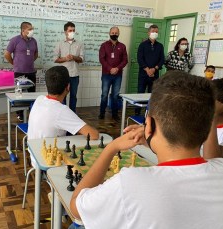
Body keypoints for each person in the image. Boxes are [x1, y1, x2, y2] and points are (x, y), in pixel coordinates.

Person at [70, 71, 223, 229]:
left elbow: (76, 207)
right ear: (208, 128)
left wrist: (111, 148)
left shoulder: (130, 183)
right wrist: (155, 141)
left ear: (148, 124)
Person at [28, 66, 99, 167]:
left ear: (46, 86)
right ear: (68, 87)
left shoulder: (39, 99)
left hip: (35, 156)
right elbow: (93, 135)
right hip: (48, 162)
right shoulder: (61, 111)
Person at [4, 22, 38, 121]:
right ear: (23, 30)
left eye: (32, 29)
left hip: (31, 72)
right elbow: (7, 54)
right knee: (19, 94)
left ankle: (32, 113)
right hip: (19, 72)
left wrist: (29, 62)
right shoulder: (15, 40)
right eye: (29, 29)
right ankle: (20, 114)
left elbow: (35, 54)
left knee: (32, 94)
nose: (32, 31)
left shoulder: (34, 41)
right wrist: (15, 64)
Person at [53, 22, 84, 113]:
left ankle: (72, 113)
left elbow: (82, 59)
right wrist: (65, 58)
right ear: (65, 32)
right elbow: (55, 59)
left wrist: (74, 57)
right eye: (70, 30)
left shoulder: (79, 44)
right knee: (63, 96)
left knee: (73, 96)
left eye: (73, 30)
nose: (72, 32)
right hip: (63, 75)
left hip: (75, 74)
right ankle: (63, 113)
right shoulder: (60, 44)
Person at [98, 27, 128, 120]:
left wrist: (117, 68)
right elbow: (101, 59)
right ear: (109, 34)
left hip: (118, 75)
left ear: (119, 34)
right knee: (104, 94)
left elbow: (125, 60)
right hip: (106, 74)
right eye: (112, 32)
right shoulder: (104, 45)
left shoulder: (122, 46)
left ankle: (114, 113)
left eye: (116, 33)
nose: (114, 34)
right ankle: (102, 112)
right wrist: (110, 68)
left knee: (115, 95)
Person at [136, 24, 164, 116]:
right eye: (153, 31)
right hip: (143, 75)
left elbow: (161, 60)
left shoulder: (160, 46)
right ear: (148, 33)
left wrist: (154, 69)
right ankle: (137, 112)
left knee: (152, 95)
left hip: (154, 75)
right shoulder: (143, 45)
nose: (154, 33)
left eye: (156, 32)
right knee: (140, 93)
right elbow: (140, 59)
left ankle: (149, 114)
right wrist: (147, 70)